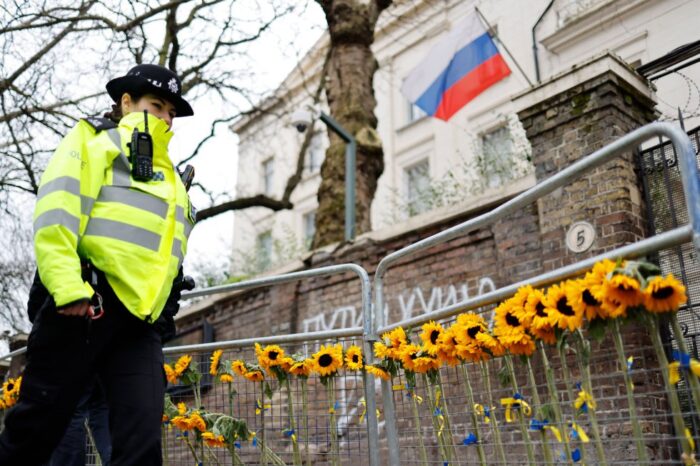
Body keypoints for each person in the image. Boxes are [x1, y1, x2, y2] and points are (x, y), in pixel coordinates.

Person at [0, 64, 196, 466]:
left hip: (139, 323)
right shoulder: (91, 141)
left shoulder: (171, 178)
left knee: (142, 440)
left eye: (171, 113)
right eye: (156, 105)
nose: (164, 117)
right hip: (86, 306)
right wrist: (68, 288)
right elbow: (57, 214)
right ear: (126, 102)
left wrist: (165, 308)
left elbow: (166, 252)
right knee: (36, 431)